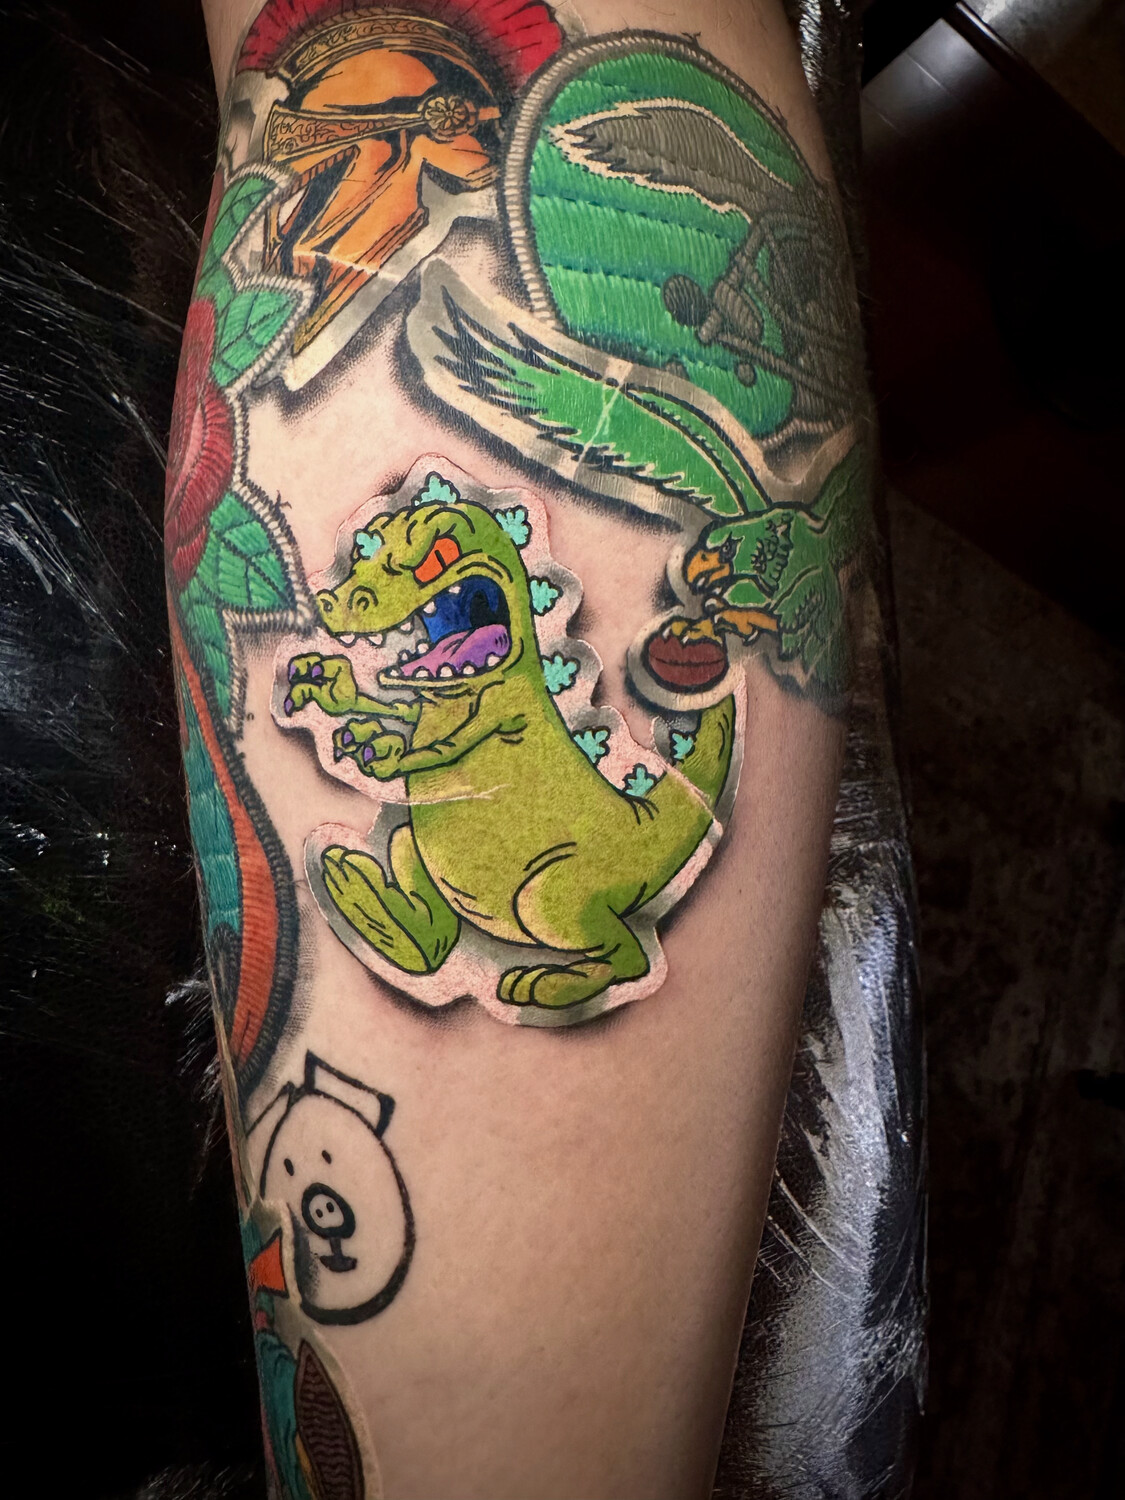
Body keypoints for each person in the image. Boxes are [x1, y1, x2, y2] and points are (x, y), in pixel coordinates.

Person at [167, 1, 872, 1493]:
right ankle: (430, 913)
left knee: (552, 900)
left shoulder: (473, 662)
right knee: (434, 860)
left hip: (562, 870)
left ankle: (580, 941)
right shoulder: (446, 659)